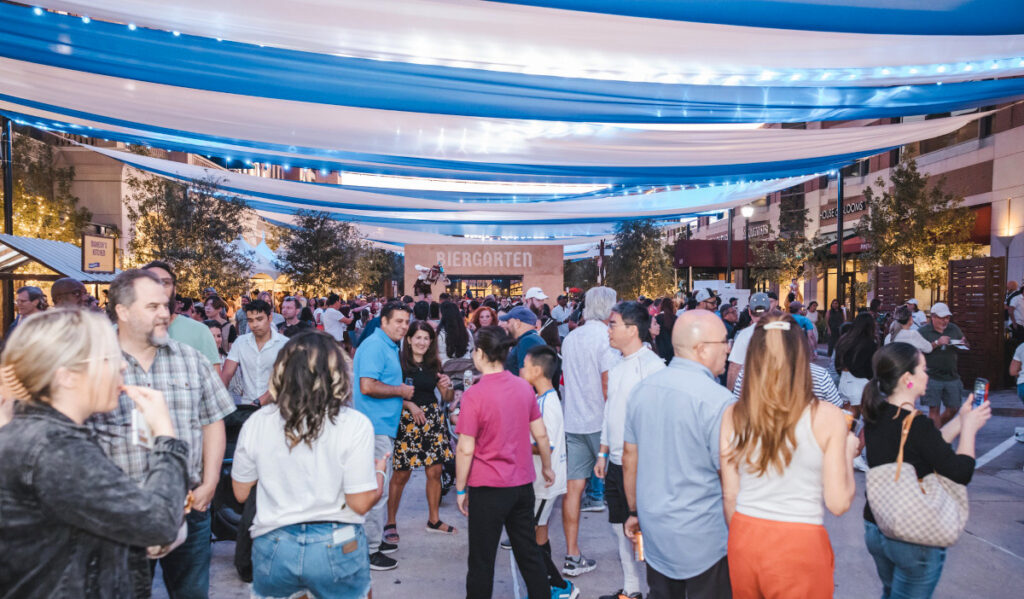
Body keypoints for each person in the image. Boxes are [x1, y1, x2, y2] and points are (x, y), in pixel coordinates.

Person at [0, 308, 190, 598]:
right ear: (66, 376)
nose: (123, 367)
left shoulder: (38, 436)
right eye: (109, 358)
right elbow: (158, 524)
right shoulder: (56, 448)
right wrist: (165, 436)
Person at [90, 269, 236, 598]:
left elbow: (212, 420)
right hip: (118, 514)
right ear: (123, 311)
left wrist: (210, 481)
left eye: (165, 305)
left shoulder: (191, 359)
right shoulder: (92, 360)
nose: (165, 313)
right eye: (153, 306)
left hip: (188, 507)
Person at [231, 331, 387, 599]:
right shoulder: (354, 424)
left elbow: (241, 493)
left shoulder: (257, 422)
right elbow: (360, 503)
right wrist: (380, 472)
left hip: (275, 541)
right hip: (336, 539)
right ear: (337, 373)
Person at [720, 314, 858, 599]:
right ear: (801, 354)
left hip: (745, 536)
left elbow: (730, 496)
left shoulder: (733, 415)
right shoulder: (827, 417)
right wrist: (847, 452)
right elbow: (838, 502)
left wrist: (746, 537)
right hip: (799, 542)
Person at [861, 342, 990, 598]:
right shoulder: (917, 424)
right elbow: (961, 472)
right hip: (911, 535)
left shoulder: (878, 412)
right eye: (923, 369)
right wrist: (971, 432)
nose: (927, 375)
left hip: (877, 526)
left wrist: (961, 423)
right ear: (908, 379)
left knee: (890, 592)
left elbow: (922, 447)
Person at [623, 310, 733, 598]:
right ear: (702, 349)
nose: (729, 348)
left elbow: (629, 459)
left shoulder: (642, 391)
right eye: (724, 341)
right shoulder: (719, 402)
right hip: (706, 537)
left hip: (656, 530)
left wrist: (634, 511)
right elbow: (732, 477)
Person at [454, 326, 556, 599]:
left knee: (481, 561)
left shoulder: (474, 395)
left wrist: (461, 489)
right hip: (521, 485)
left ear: (479, 354)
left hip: (487, 488)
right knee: (529, 554)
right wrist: (547, 466)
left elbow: (465, 448)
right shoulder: (523, 388)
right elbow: (541, 434)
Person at [594, 301, 665, 599]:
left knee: (645, 532)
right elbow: (612, 409)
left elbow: (658, 422)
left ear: (633, 329)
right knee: (617, 524)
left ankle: (656, 591)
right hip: (615, 460)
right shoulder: (617, 361)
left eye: (613, 324)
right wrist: (603, 450)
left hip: (641, 465)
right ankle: (632, 588)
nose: (608, 330)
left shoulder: (653, 368)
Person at [560, 286, 621, 576]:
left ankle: (572, 555)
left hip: (574, 421)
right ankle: (635, 554)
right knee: (623, 489)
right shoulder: (606, 339)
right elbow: (608, 386)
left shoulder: (571, 338)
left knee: (573, 490)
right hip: (602, 424)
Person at [508, 344, 575, 599]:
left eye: (524, 365)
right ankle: (556, 585)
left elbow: (544, 445)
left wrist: (512, 441)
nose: (521, 369)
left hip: (542, 483)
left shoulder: (547, 403)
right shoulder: (542, 398)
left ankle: (554, 586)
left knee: (527, 539)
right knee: (539, 532)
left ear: (536, 371)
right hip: (544, 482)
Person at [352, 301, 415, 571]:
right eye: (398, 321)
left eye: (406, 322)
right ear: (384, 321)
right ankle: (370, 551)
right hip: (373, 429)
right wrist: (401, 391)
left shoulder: (387, 345)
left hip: (381, 428)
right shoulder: (376, 345)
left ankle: (374, 540)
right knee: (375, 490)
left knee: (379, 488)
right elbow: (367, 386)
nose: (403, 326)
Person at [385, 322, 456, 541]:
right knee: (401, 474)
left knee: (434, 472)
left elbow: (447, 399)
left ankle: (433, 520)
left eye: (426, 338)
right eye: (418, 338)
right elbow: (388, 392)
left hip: (431, 420)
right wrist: (409, 405)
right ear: (408, 339)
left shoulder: (435, 363)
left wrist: (448, 387)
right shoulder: (398, 363)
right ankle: (390, 522)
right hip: (407, 421)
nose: (422, 342)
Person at [142, 261, 222, 370]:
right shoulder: (119, 334)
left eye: (165, 283)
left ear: (174, 290)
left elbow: (214, 382)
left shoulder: (200, 332)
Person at [220, 299, 288, 406]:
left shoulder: (285, 344)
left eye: (259, 319)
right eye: (250, 320)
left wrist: (258, 402)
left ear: (270, 318)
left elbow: (284, 381)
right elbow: (227, 374)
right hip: (247, 406)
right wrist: (219, 398)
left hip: (276, 408)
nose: (255, 325)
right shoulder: (240, 342)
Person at [917, 302, 968, 428]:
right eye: (941, 318)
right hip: (931, 376)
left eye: (947, 318)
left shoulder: (953, 329)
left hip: (952, 375)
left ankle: (934, 431)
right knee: (934, 410)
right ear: (933, 317)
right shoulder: (923, 332)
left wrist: (963, 343)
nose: (945, 321)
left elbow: (967, 344)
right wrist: (937, 343)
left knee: (954, 408)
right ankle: (935, 439)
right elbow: (916, 352)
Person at [834, 312, 878, 419]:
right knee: (863, 419)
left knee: (847, 419)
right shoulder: (870, 343)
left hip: (844, 379)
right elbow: (870, 368)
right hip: (860, 383)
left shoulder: (844, 339)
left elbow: (837, 363)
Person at [726, 292, 771, 391]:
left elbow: (734, 367)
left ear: (750, 312)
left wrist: (729, 393)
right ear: (769, 310)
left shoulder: (745, 334)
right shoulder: (786, 331)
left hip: (753, 391)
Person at [500, 306, 547, 376]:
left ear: (517, 323)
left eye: (508, 322)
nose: (506, 325)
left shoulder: (527, 341)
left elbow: (525, 378)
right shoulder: (531, 339)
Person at [437, 300, 474, 367]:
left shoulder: (439, 334)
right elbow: (471, 350)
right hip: (464, 369)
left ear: (443, 314)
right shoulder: (466, 332)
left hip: (445, 370)